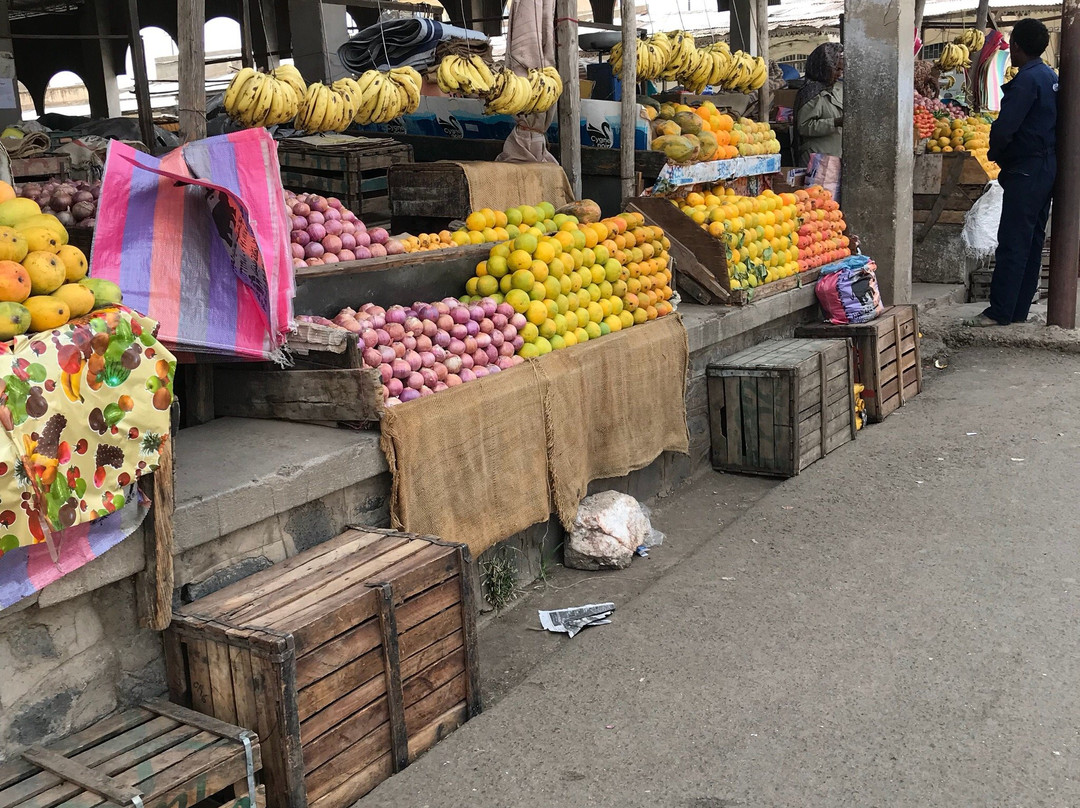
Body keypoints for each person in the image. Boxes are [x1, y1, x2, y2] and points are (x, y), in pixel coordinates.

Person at [965, 18, 1058, 327]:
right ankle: (1017, 310)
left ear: (1016, 46)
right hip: (1045, 169)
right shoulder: (1049, 76)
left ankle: (1000, 311)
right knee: (1031, 241)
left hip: (1026, 169)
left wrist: (997, 154)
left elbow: (1005, 128)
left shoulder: (1026, 81)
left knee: (1013, 240)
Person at [794, 43, 844, 166]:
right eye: (836, 69)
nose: (840, 74)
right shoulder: (811, 93)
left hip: (834, 158)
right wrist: (835, 122)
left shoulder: (836, 89)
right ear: (825, 67)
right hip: (816, 161)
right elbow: (804, 127)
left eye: (841, 70)